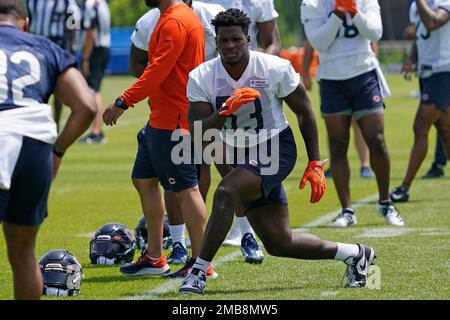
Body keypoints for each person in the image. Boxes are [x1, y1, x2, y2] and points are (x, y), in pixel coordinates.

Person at [179, 8, 376, 295]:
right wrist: (224, 112)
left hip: (275, 148)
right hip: (239, 152)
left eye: (236, 39)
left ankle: (198, 272)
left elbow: (305, 111)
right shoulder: (203, 76)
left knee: (225, 192)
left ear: (248, 39)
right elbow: (198, 129)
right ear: (216, 43)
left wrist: (314, 162)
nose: (230, 46)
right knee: (279, 242)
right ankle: (356, 254)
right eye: (224, 42)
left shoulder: (272, 67)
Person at [128, 0, 265, 266]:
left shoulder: (209, 14)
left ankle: (247, 234)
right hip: (177, 110)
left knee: (228, 168)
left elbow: (239, 52)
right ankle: (179, 241)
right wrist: (167, 80)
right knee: (177, 178)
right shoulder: (149, 21)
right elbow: (136, 63)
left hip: (215, 103)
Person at [103, 0, 217, 278]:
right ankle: (155, 257)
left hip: (175, 121)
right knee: (143, 179)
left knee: (186, 190)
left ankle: (202, 265)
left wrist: (122, 100)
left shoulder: (175, 21)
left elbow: (157, 70)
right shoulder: (174, 17)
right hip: (161, 119)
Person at [0, 0, 95, 300]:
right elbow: (87, 106)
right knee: (24, 254)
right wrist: (58, 151)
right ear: (25, 23)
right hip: (34, 144)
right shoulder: (44, 47)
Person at [301, 0, 404, 228]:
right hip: (332, 79)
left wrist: (353, 10)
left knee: (377, 140)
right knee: (338, 146)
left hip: (364, 73)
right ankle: (347, 210)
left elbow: (375, 33)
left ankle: (385, 203)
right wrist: (338, 12)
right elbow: (320, 42)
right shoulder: (311, 3)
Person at [197, 0, 281, 251]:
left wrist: (258, 73)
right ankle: (196, 231)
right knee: (201, 161)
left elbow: (273, 41)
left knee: (236, 167)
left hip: (248, 87)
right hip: (210, 84)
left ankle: (246, 232)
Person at [390, 0, 450, 202]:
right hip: (428, 74)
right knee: (446, 131)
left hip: (444, 73)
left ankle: (404, 187)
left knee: (420, 126)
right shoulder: (418, 5)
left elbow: (433, 22)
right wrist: (411, 59)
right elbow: (420, 35)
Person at [302, 39, 374, 180]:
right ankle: (335, 164)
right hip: (331, 78)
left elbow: (371, 42)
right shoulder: (322, 19)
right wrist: (305, 74)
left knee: (358, 123)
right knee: (334, 126)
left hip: (357, 75)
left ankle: (365, 165)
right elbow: (310, 43)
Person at [25, 0, 81, 132]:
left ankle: (56, 125)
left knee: (58, 88)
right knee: (35, 85)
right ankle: (36, 122)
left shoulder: (66, 2)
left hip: (56, 45)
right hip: (35, 44)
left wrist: (72, 48)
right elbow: (27, 18)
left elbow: (73, 20)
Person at [78, 0, 111, 144]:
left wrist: (85, 58)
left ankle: (96, 131)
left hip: (95, 49)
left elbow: (91, 33)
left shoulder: (90, 5)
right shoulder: (102, 3)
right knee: (95, 89)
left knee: (93, 90)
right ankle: (97, 130)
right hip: (103, 47)